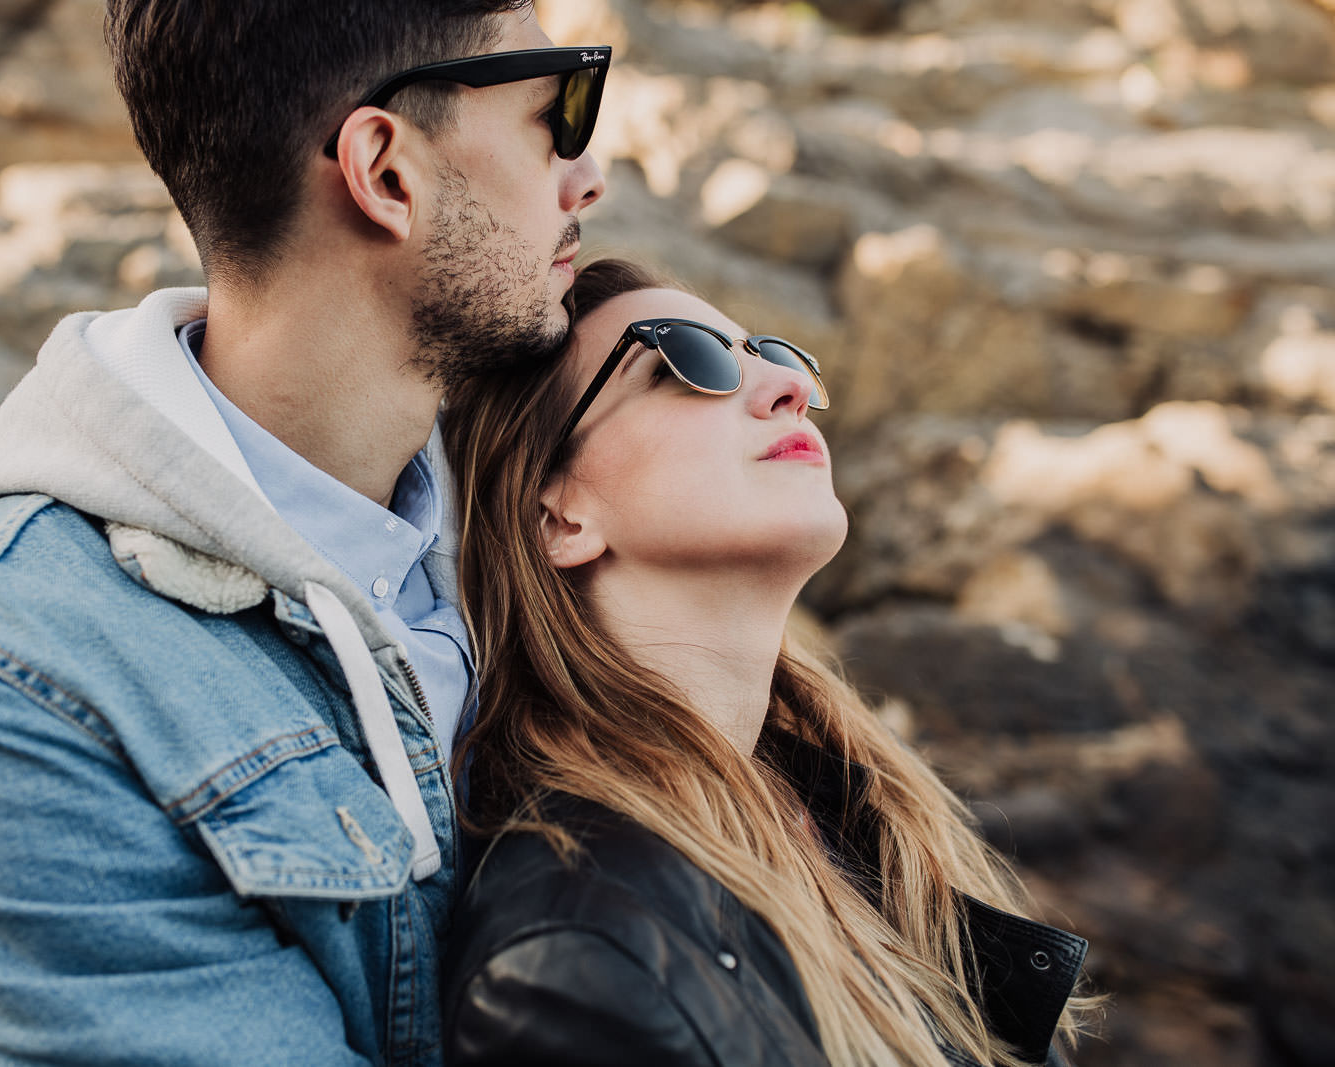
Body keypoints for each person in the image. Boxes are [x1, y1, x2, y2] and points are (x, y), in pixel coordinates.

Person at [0, 2, 606, 1063]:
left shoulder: (554, 507)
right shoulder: (2, 683)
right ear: (386, 171)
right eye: (556, 110)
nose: (587, 176)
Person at [438, 259, 1098, 1067]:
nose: (783, 389)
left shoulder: (861, 831)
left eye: (773, 354)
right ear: (559, 516)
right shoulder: (580, 957)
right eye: (688, 359)